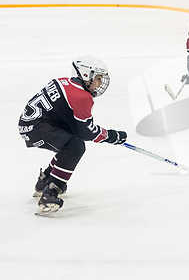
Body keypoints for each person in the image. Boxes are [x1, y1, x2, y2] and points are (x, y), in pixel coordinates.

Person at [18, 56, 127, 215]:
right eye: (97, 79)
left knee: (72, 139)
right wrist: (111, 135)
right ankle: (50, 193)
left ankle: (45, 181)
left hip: (32, 124)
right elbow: (87, 132)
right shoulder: (82, 97)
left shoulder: (64, 82)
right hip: (35, 127)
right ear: (85, 75)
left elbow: (77, 126)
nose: (98, 84)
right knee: (75, 146)